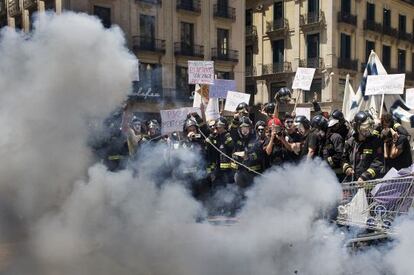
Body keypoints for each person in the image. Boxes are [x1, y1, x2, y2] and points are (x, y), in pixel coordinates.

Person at [342, 111, 384, 182]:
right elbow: (343, 158)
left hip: (368, 184)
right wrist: (347, 168)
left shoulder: (376, 142)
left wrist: (365, 176)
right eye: (365, 128)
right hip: (353, 183)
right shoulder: (350, 142)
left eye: (370, 127)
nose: (368, 131)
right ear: (357, 127)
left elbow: (378, 163)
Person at [232, 117, 264, 188]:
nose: (244, 130)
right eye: (242, 128)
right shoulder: (238, 140)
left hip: (253, 174)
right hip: (240, 173)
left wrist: (248, 157)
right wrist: (236, 156)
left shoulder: (256, 138)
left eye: (246, 127)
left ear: (250, 128)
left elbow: (259, 154)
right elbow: (234, 153)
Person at [322, 115, 346, 180]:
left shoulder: (336, 137)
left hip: (337, 173)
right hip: (328, 172)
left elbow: (340, 154)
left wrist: (328, 161)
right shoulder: (327, 138)